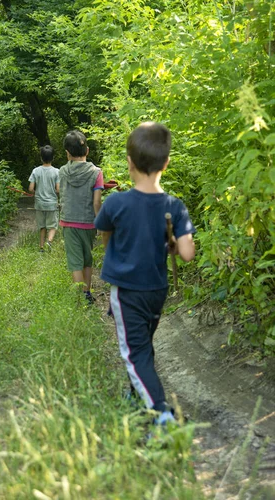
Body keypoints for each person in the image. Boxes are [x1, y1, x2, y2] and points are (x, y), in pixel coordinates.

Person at [94, 122, 196, 425]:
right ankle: (136, 395)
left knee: (134, 352)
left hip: (126, 292)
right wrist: (174, 242)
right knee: (142, 345)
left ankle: (162, 415)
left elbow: (105, 234)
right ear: (166, 163)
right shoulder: (174, 206)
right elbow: (188, 254)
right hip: (156, 289)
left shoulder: (116, 202)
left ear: (129, 162)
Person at [59, 130, 104, 304]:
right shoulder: (96, 172)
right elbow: (97, 202)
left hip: (68, 221)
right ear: (87, 151)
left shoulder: (62, 171)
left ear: (67, 153)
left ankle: (80, 298)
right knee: (87, 258)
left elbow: (60, 191)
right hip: (88, 223)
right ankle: (87, 293)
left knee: (74, 259)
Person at [28, 145, 60, 252]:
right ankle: (49, 242)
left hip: (39, 204)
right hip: (52, 204)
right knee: (53, 226)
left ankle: (41, 248)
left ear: (41, 158)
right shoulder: (57, 172)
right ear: (53, 158)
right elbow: (58, 189)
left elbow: (31, 188)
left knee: (42, 226)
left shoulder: (35, 171)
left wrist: (35, 192)